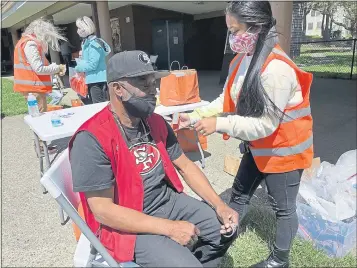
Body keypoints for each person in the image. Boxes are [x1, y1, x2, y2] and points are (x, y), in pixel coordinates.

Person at [69, 50, 238, 267]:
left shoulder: (155, 122)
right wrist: (170, 228)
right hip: (128, 222)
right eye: (143, 84)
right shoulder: (92, 139)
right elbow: (102, 210)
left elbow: (185, 165)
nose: (153, 91)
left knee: (225, 231)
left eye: (153, 83)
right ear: (118, 89)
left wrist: (219, 205)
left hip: (167, 201)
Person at [180, 1, 313, 267]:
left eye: (235, 29)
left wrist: (219, 125)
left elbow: (265, 125)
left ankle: (279, 260)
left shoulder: (277, 69)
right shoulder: (242, 59)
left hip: (283, 151)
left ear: (257, 26)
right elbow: (226, 98)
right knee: (239, 194)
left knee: (284, 209)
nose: (232, 37)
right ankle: (226, 235)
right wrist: (197, 115)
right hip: (258, 146)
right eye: (229, 29)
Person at [13, 18, 67, 113]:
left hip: (31, 87)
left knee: (37, 115)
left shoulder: (25, 42)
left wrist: (55, 68)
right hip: (34, 88)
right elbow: (39, 68)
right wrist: (57, 68)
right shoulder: (31, 44)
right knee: (40, 116)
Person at [75, 16, 111, 104]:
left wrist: (78, 67)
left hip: (97, 80)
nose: (78, 30)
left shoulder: (94, 44)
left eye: (79, 28)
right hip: (92, 79)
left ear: (85, 28)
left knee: (99, 106)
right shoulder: (87, 43)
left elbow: (92, 64)